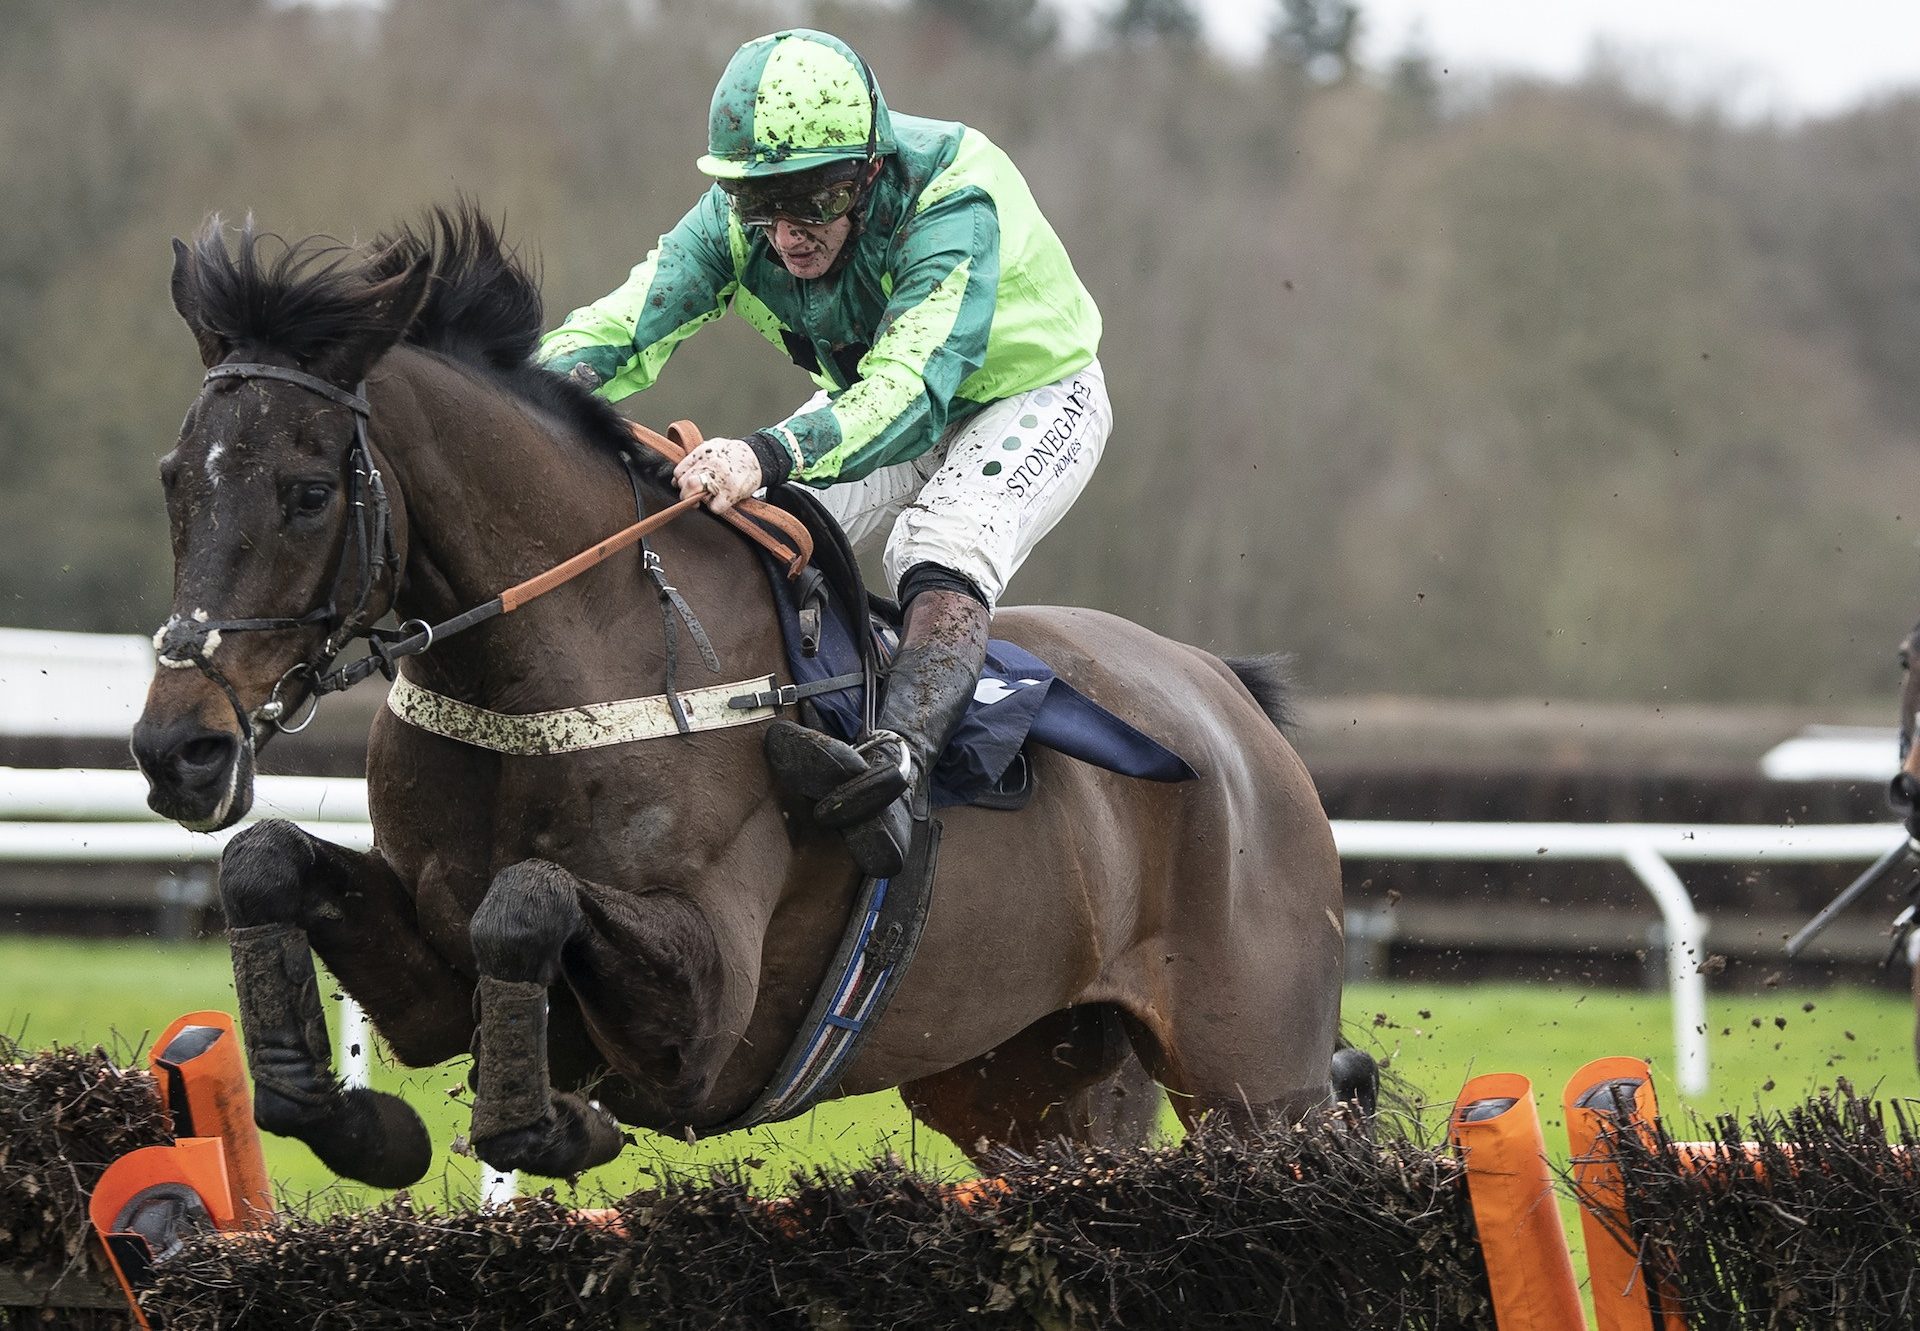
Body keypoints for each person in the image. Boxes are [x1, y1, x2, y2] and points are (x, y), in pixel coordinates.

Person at [537, 28, 1110, 876]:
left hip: (1028, 394)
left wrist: (766, 450)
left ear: (870, 169)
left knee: (937, 542)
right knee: (752, 530)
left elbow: (911, 388)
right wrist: (501, 387)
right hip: (877, 395)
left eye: (814, 197)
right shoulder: (745, 224)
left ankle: (900, 767)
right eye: (758, 200)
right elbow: (622, 328)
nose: (786, 231)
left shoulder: (956, 199)